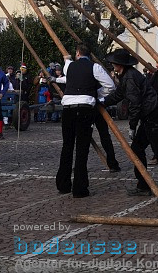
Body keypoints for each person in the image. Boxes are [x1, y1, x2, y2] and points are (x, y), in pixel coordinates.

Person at [104, 48, 158, 204]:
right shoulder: (126, 76)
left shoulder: (130, 78)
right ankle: (143, 184)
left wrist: (132, 126)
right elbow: (118, 94)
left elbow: (135, 103)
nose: (112, 65)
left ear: (119, 64)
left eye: (113, 63)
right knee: (137, 148)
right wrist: (103, 102)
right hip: (149, 115)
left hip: (153, 115)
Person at [55, 43, 114, 199]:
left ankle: (63, 184)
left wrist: (66, 59)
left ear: (78, 54)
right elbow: (110, 85)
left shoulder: (70, 66)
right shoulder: (95, 67)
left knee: (67, 146)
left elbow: (67, 66)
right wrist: (96, 94)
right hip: (84, 108)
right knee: (82, 149)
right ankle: (79, 188)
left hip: (67, 108)